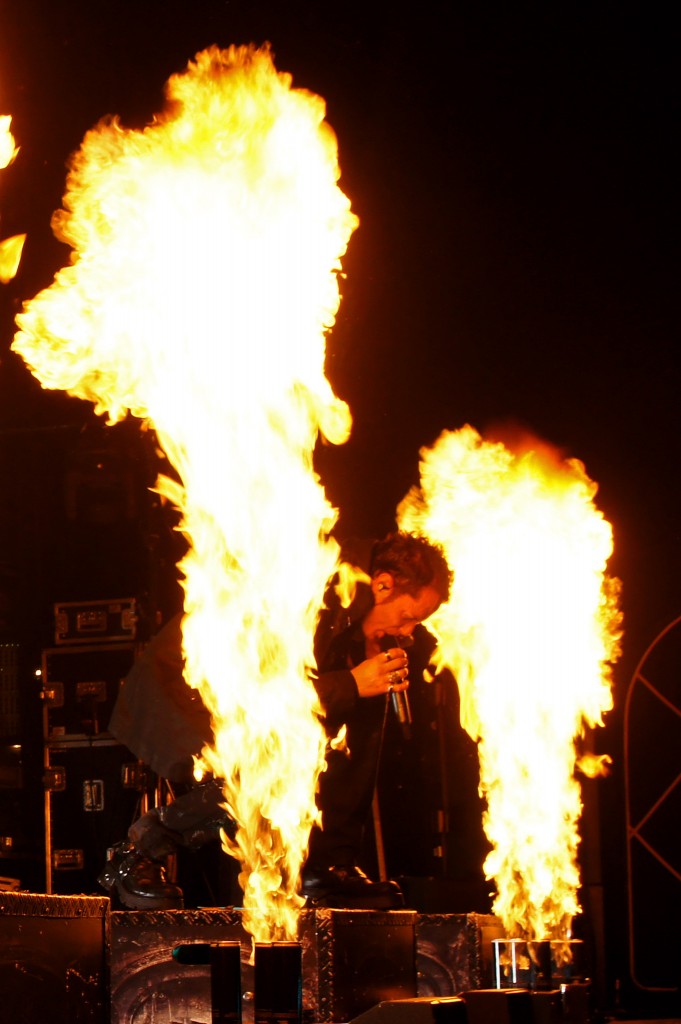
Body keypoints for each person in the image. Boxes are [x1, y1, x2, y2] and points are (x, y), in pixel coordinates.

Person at [98, 531, 451, 910]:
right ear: (382, 585)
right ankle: (135, 853)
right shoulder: (308, 591)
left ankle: (327, 867)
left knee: (358, 708)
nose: (408, 632)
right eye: (408, 617)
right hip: (185, 694)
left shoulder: (352, 618)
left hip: (250, 707)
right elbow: (264, 700)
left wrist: (358, 673)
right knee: (270, 764)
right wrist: (349, 681)